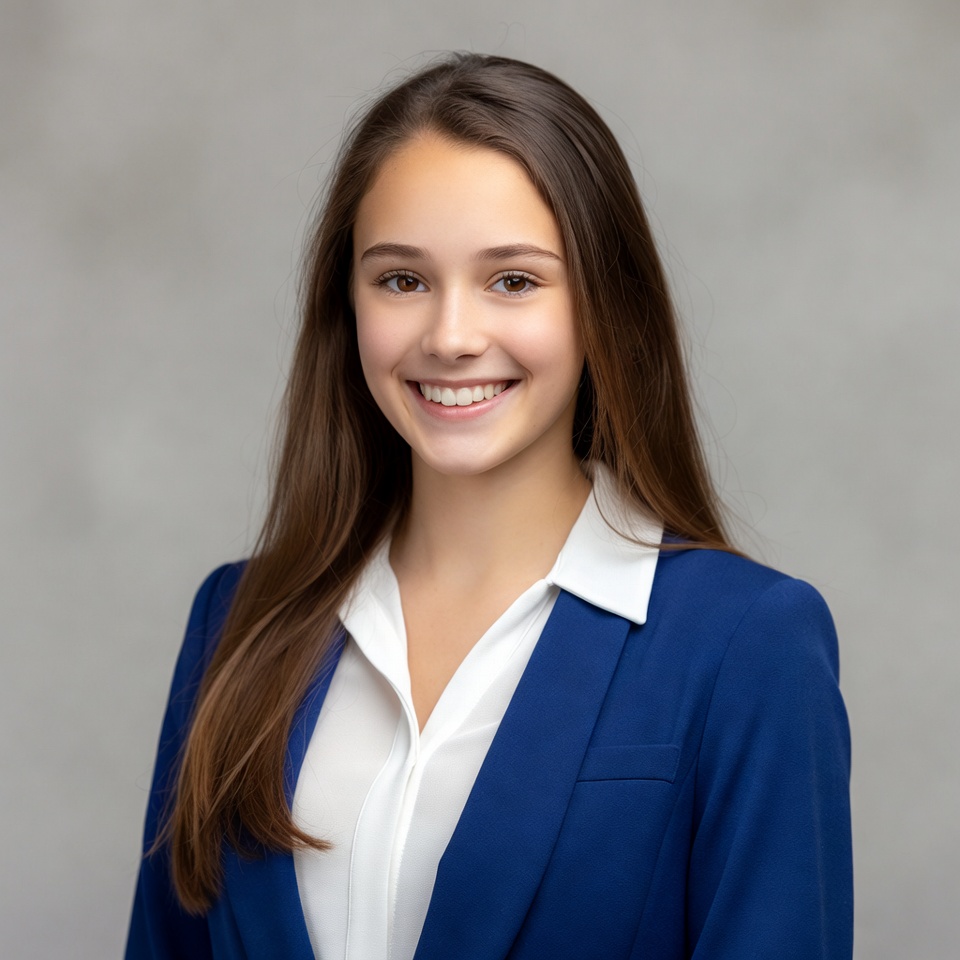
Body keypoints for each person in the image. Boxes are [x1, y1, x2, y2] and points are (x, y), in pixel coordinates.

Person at [125, 53, 853, 959]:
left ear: (604, 307)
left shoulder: (747, 643)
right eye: (402, 279)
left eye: (514, 280)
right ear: (346, 304)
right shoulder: (237, 619)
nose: (451, 336)